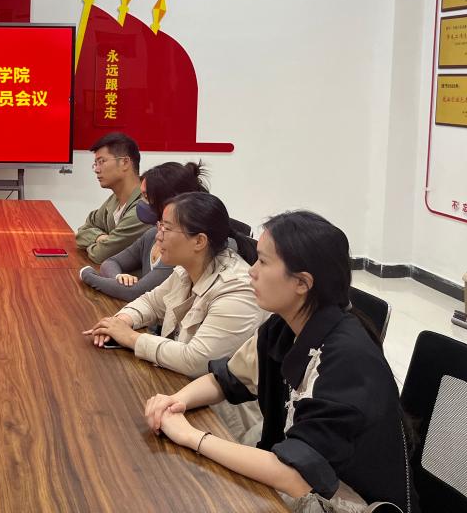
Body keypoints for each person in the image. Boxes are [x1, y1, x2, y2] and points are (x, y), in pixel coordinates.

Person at [143, 211, 417, 513]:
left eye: (263, 261)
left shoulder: (346, 360)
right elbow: (226, 379)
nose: (252, 271)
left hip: (349, 501)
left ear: (302, 283)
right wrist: (175, 402)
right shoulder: (285, 325)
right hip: (300, 484)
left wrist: (191, 436)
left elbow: (293, 475)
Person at [83, 192, 261, 379]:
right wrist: (121, 322)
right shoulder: (188, 267)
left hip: (206, 395)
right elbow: (151, 302)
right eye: (160, 226)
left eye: (166, 229)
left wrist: (130, 337)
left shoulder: (238, 290)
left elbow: (197, 361)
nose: (158, 236)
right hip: (177, 381)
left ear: (199, 241)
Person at [79, 161, 208, 301]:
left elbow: (135, 292)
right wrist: (118, 278)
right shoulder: (152, 234)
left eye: (146, 196)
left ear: (167, 199)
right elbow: (110, 262)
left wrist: (87, 274)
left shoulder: (180, 244)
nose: (140, 202)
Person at [75, 132, 151, 263]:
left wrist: (96, 242)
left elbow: (101, 254)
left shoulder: (143, 207)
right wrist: (100, 237)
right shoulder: (115, 199)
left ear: (125, 162)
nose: (96, 169)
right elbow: (82, 231)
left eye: (101, 162)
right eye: (95, 163)